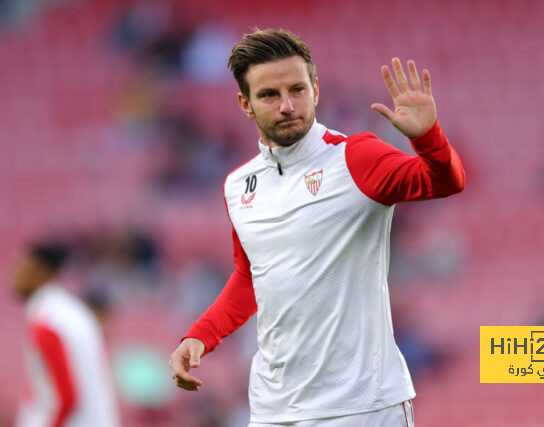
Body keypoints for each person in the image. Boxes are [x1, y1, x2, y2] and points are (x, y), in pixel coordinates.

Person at [169, 29, 466, 426]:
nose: (287, 105)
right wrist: (199, 336)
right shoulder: (239, 186)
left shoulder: (356, 158)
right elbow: (250, 276)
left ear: (316, 90)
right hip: (274, 412)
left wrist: (429, 138)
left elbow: (446, 182)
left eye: (297, 90)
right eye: (269, 95)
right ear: (246, 104)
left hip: (362, 407)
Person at [12, 242, 120, 427]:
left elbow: (67, 397)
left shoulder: (47, 319)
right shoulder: (72, 311)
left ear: (38, 272)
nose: (14, 276)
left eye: (21, 267)